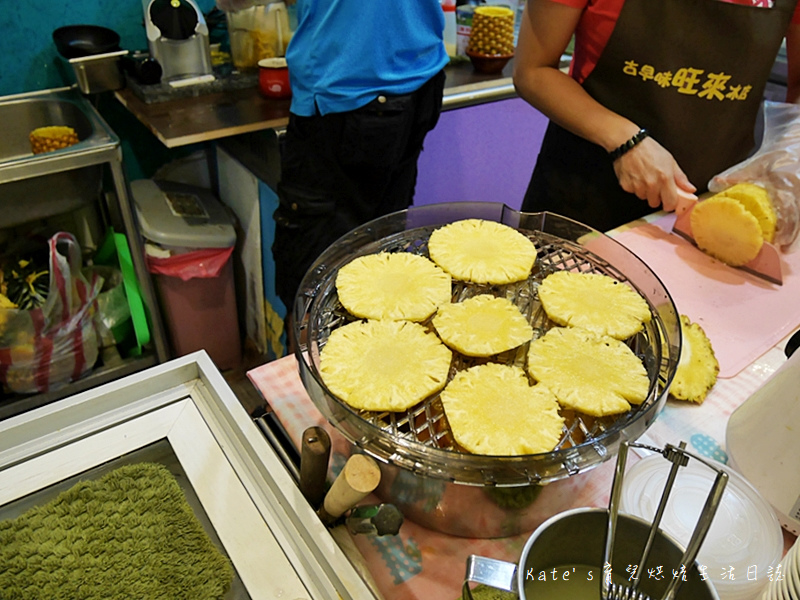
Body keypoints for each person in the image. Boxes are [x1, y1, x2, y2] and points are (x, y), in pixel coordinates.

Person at [512, 0, 800, 233]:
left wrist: (787, 160)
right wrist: (624, 139)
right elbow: (533, 71)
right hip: (586, 193)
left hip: (718, 203)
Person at [272, 0, 449, 314]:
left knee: (316, 279)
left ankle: (328, 345)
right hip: (419, 77)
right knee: (382, 248)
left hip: (346, 90)